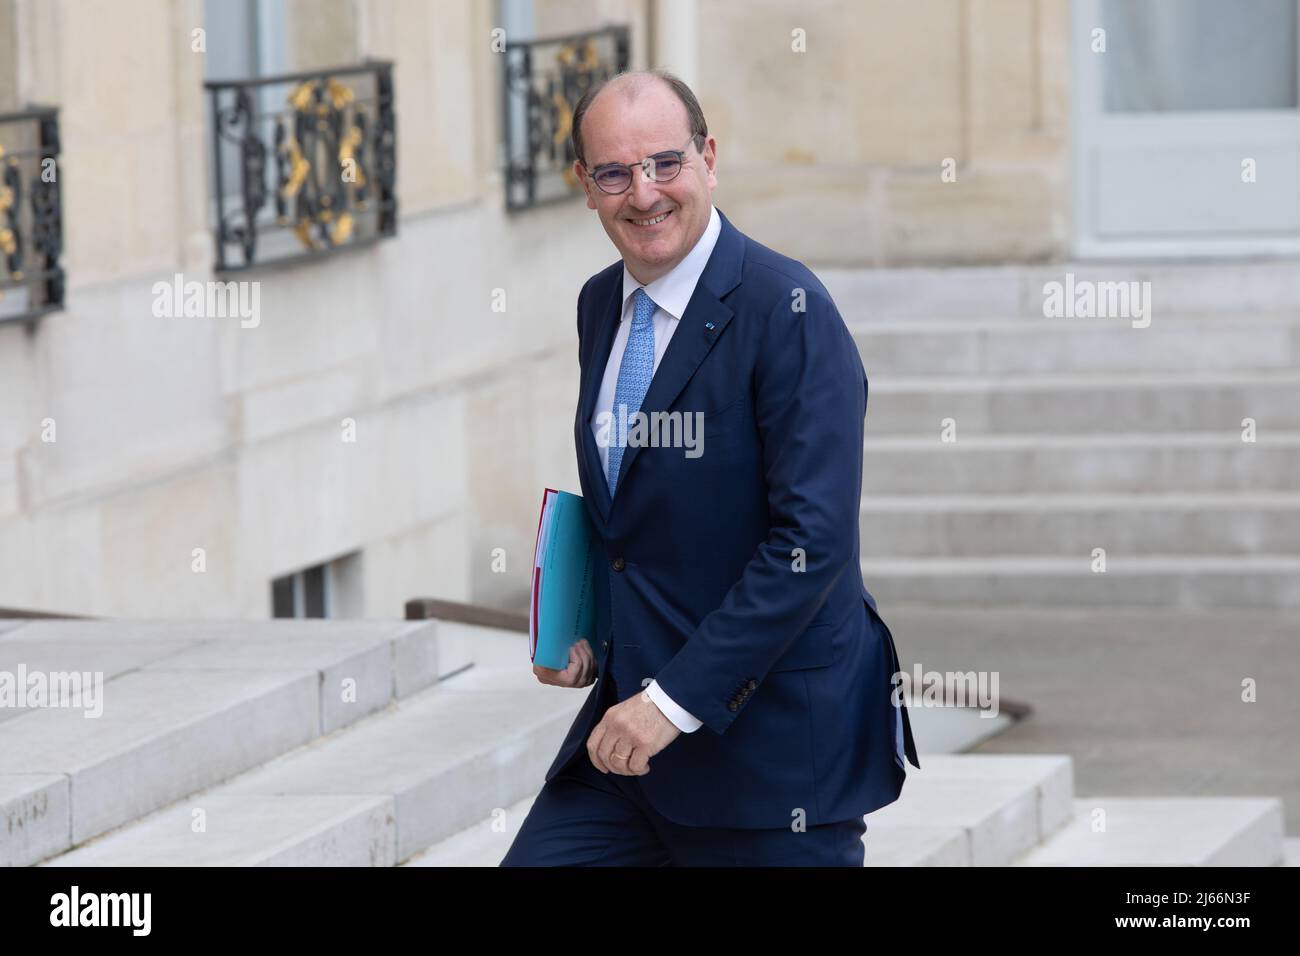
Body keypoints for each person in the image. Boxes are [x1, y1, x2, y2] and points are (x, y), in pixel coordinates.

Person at [501, 68, 919, 867]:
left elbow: (812, 544)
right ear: (587, 187)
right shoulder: (601, 304)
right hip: (631, 748)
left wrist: (672, 701)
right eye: (615, 173)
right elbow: (641, 507)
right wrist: (589, 625)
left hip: (772, 755)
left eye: (665, 163)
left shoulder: (789, 311)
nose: (644, 193)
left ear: (709, 158)